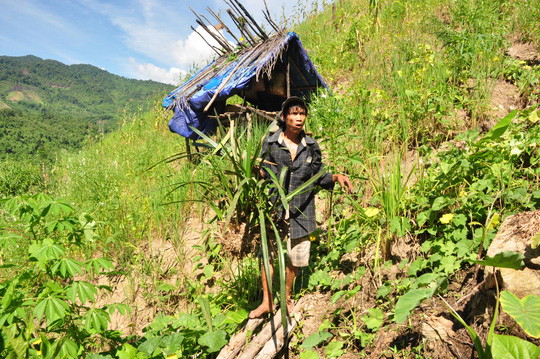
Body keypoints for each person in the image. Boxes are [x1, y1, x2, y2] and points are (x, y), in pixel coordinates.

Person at [249, 96, 353, 319]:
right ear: (284, 117)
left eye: (302, 113)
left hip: (301, 208)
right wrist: (254, 169)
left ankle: (286, 296)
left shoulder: (311, 146)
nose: (298, 118)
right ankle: (267, 302)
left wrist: (335, 177)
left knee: (296, 256)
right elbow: (262, 172)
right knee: (268, 254)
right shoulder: (270, 143)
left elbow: (316, 176)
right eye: (294, 113)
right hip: (273, 206)